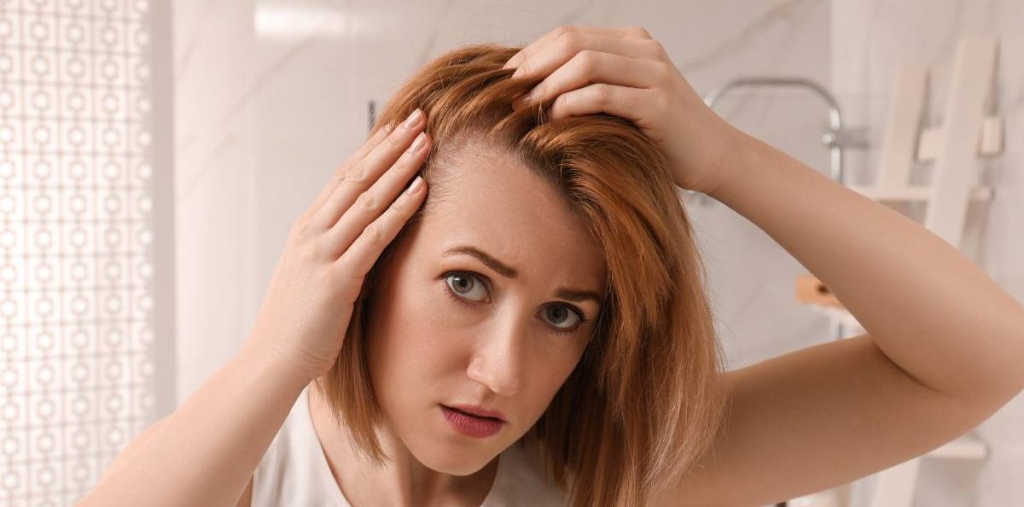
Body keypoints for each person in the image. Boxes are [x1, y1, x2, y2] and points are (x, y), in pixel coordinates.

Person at [78, 26, 1024, 507]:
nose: (503, 372)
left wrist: (726, 157)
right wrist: (276, 354)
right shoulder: (258, 468)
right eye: (466, 283)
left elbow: (984, 362)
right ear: (367, 259)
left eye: (565, 313)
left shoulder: (601, 474)